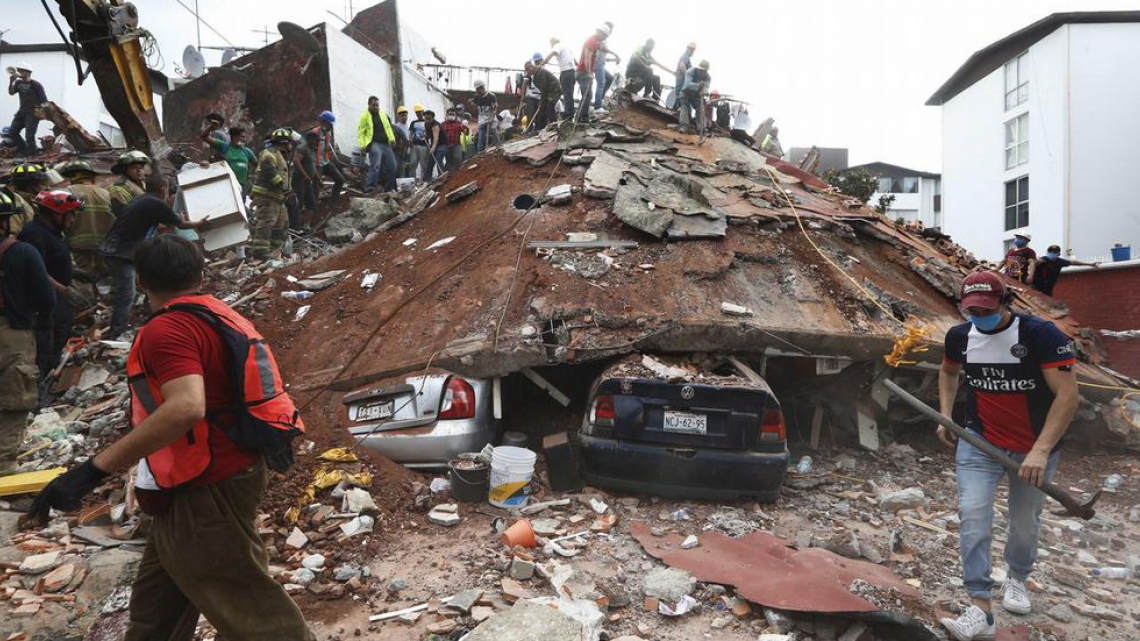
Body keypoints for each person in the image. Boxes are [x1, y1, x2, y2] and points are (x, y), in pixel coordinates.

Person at [28, 234, 314, 641]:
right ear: (201, 275)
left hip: (205, 482)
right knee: (155, 611)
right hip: (207, 476)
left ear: (140, 281)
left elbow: (186, 406)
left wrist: (93, 470)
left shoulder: (168, 330)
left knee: (253, 613)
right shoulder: (217, 314)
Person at [937, 271, 1079, 640]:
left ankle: (1017, 577)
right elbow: (948, 372)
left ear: (1005, 303)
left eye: (987, 309)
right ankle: (981, 608)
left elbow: (1068, 397)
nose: (979, 316)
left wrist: (1040, 450)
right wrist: (946, 415)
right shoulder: (959, 337)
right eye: (972, 310)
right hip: (980, 441)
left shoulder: (1040, 335)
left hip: (1033, 448)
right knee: (973, 515)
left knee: (1024, 521)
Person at [101, 190, 208, 339]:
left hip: (120, 249)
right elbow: (181, 224)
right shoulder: (155, 203)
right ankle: (116, 332)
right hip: (121, 253)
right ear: (164, 189)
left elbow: (159, 226)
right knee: (127, 292)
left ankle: (148, 314)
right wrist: (200, 224)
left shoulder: (142, 200)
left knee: (149, 280)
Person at [0, 191, 55, 474]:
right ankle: (3, 465)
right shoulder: (21, 252)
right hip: (12, 333)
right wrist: (43, 323)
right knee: (14, 399)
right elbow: (46, 298)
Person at [19, 190, 83, 382]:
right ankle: (41, 379)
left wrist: (76, 273)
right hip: (43, 300)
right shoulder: (34, 235)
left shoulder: (52, 232)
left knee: (60, 331)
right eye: (70, 214)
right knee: (45, 341)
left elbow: (53, 261)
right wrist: (63, 290)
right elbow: (35, 271)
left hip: (56, 297)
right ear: (55, 214)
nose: (73, 219)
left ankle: (49, 372)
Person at [57, 160, 113, 279]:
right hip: (104, 248)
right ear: (92, 176)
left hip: (78, 249)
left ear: (72, 177)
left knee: (83, 280)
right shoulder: (107, 194)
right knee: (106, 283)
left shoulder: (67, 193)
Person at [250, 128, 294, 259]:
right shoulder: (269, 153)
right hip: (266, 196)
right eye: (289, 143)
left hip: (278, 198)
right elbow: (268, 170)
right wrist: (282, 186)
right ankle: (260, 251)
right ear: (284, 142)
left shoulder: (281, 156)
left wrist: (288, 191)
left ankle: (275, 251)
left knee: (281, 224)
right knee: (266, 222)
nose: (291, 146)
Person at [199, 123, 257, 199]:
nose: (245, 139)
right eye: (242, 137)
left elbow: (258, 165)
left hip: (241, 187)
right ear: (235, 137)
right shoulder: (224, 146)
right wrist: (210, 127)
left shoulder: (247, 151)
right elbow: (204, 137)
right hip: (225, 184)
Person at [357, 96, 397, 194]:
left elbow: (388, 128)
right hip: (374, 143)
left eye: (377, 105)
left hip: (386, 144)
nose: (375, 107)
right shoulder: (365, 116)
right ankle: (370, 188)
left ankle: (390, 188)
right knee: (375, 165)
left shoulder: (383, 115)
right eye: (373, 105)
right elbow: (361, 132)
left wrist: (392, 139)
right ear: (369, 105)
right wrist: (362, 145)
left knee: (393, 166)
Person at [7, 64, 47, 155]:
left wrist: (40, 113)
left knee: (29, 136)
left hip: (32, 113)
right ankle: (24, 150)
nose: (18, 72)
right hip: (21, 112)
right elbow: (11, 92)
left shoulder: (36, 85)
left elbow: (44, 101)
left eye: (21, 70)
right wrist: (11, 81)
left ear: (28, 72)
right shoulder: (18, 82)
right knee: (12, 132)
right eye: (18, 70)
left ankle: (33, 154)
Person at [1032, 245, 1099, 297]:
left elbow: (1073, 262)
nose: (1051, 253)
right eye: (1050, 252)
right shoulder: (1042, 260)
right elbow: (1032, 264)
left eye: (1054, 252)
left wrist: (1090, 264)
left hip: (1048, 290)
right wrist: (1035, 263)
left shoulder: (1059, 262)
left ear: (1058, 254)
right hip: (1036, 288)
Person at [288, 131, 320, 233]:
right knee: (299, 203)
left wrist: (317, 178)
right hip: (299, 179)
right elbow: (296, 161)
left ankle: (306, 226)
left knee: (311, 202)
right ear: (310, 139)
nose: (317, 142)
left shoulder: (312, 150)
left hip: (307, 181)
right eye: (316, 140)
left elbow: (312, 166)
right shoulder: (302, 148)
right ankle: (294, 227)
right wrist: (305, 176)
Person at [311, 111, 345, 202]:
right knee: (315, 188)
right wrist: (315, 168)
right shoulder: (315, 133)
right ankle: (313, 207)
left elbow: (325, 148)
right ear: (324, 122)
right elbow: (309, 152)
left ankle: (333, 203)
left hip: (325, 162)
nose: (331, 126)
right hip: (315, 165)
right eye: (329, 124)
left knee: (340, 180)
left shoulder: (328, 133)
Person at [5, 162, 46, 234]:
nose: (45, 186)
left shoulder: (35, 199)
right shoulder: (16, 203)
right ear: (32, 186)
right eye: (42, 182)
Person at [543, 38, 578, 121]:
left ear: (553, 42)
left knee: (567, 95)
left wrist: (543, 62)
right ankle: (570, 114)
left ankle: (568, 115)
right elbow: (575, 62)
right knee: (569, 94)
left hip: (566, 72)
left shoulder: (557, 46)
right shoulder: (566, 48)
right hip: (572, 73)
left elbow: (552, 54)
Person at [109, 150, 151, 216]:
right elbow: (122, 213)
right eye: (134, 167)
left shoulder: (143, 184)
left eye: (141, 167)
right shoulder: (118, 188)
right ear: (125, 170)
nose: (139, 170)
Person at [523, 60, 562, 131]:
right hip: (548, 92)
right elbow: (542, 90)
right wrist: (542, 104)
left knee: (549, 106)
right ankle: (541, 128)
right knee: (543, 109)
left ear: (531, 66)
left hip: (554, 90)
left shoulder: (540, 72)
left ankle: (554, 126)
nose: (528, 72)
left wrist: (541, 102)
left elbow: (544, 89)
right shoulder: (535, 78)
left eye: (528, 69)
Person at [678, 60, 711, 134]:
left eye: (704, 71)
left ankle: (702, 129)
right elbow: (688, 85)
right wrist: (698, 86)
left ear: (706, 71)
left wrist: (704, 92)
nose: (702, 73)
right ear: (698, 68)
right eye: (701, 70)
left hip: (696, 96)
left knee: (700, 108)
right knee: (685, 107)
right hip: (686, 93)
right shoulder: (690, 71)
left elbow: (705, 88)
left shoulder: (708, 77)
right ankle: (683, 126)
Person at [469, 81, 499, 152]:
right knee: (480, 137)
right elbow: (475, 105)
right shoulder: (477, 97)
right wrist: (472, 104)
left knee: (494, 130)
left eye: (477, 89)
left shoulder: (491, 96)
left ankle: (498, 146)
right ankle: (479, 152)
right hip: (482, 120)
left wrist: (491, 119)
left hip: (491, 118)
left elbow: (494, 109)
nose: (476, 91)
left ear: (482, 88)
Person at [669, 43, 697, 109]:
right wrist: (687, 78)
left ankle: (675, 108)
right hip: (682, 80)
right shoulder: (685, 56)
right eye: (692, 50)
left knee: (679, 96)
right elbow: (682, 65)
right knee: (680, 95)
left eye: (693, 50)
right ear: (689, 49)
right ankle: (676, 109)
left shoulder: (685, 57)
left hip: (681, 79)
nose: (692, 52)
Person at [439, 108, 465, 172]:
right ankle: (450, 174)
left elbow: (466, 132)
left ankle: (458, 173)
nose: (451, 116)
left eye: (453, 114)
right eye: (450, 114)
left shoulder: (459, 123)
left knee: (457, 159)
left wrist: (464, 127)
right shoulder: (442, 124)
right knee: (449, 161)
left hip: (456, 144)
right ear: (447, 115)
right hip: (447, 145)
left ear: (455, 115)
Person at [420, 110, 445, 181]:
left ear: (432, 118)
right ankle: (427, 179)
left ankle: (441, 176)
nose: (427, 120)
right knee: (430, 161)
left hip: (442, 144)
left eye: (429, 119)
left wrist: (433, 147)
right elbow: (428, 134)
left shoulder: (435, 124)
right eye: (426, 118)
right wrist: (425, 137)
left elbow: (436, 137)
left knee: (438, 159)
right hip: (434, 144)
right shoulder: (426, 124)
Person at [393, 106, 411, 178]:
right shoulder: (396, 126)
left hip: (407, 151)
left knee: (407, 167)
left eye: (405, 115)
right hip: (399, 151)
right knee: (398, 167)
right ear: (399, 116)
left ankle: (406, 181)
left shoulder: (407, 126)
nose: (404, 117)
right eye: (402, 116)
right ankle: (397, 181)